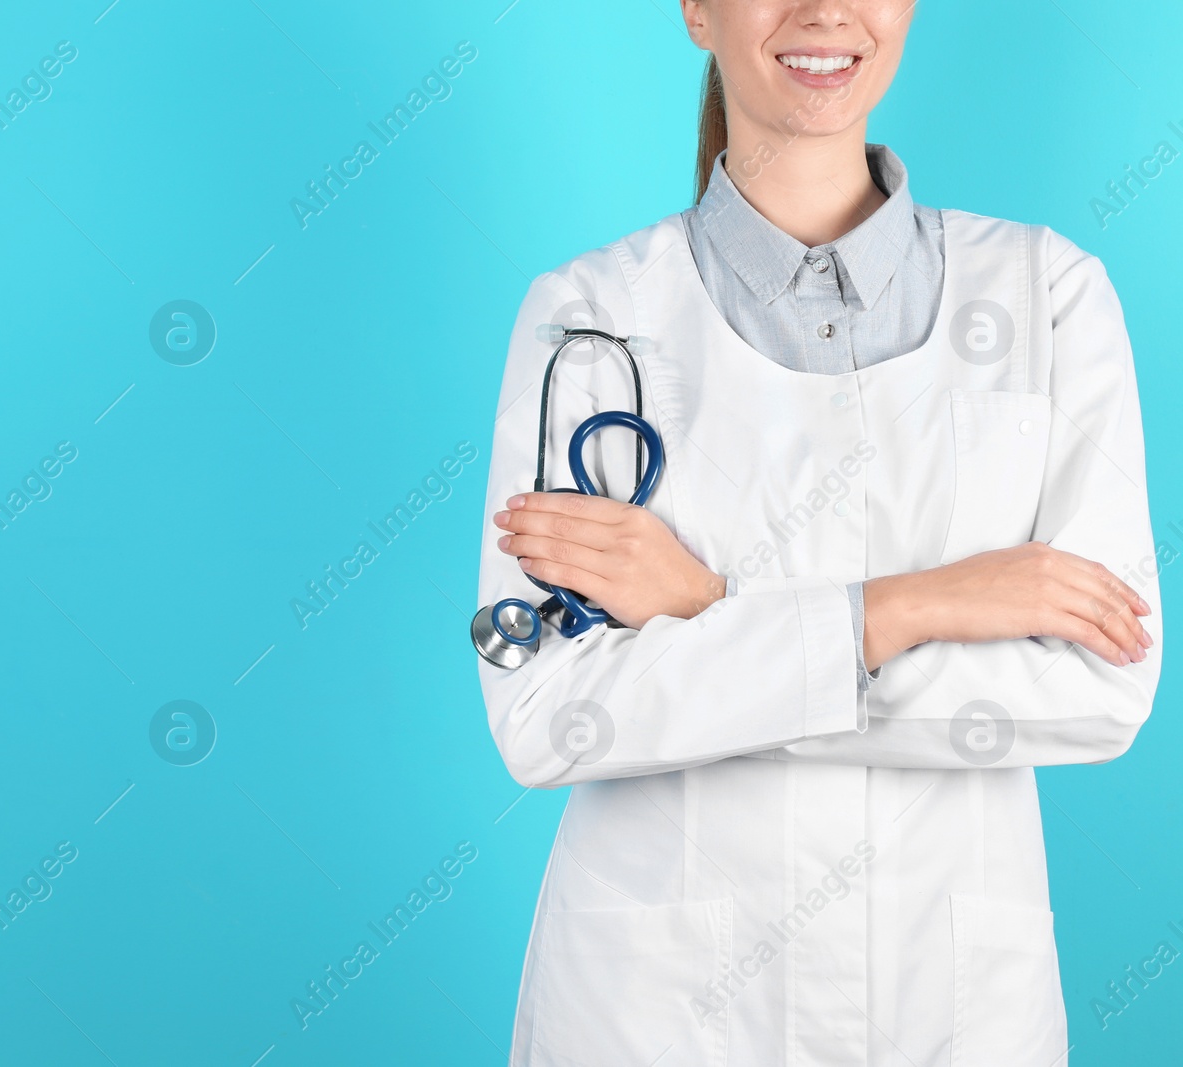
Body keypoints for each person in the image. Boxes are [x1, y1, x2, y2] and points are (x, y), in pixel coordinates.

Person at [475, 1, 1164, 1063]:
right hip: (657, 1009)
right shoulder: (591, 321)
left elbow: (1099, 691)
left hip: (951, 997)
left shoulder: (1050, 297)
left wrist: (706, 614)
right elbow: (550, 712)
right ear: (697, 9)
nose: (826, 11)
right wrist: (911, 605)